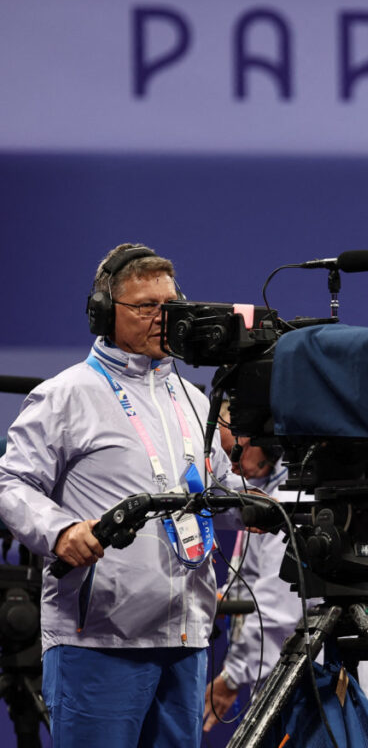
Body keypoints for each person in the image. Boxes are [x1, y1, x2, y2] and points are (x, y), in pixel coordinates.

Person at [0, 244, 243, 747]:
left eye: (169, 306)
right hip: (100, 641)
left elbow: (219, 488)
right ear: (104, 313)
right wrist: (61, 530)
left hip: (185, 638)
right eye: (145, 306)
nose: (162, 318)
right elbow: (10, 483)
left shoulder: (195, 400)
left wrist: (257, 498)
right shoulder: (67, 394)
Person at [204, 403, 297, 733]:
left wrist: (232, 676)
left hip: (302, 677)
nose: (232, 468)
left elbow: (274, 604)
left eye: (236, 452)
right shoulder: (267, 488)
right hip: (278, 672)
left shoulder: (292, 493)